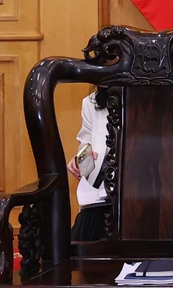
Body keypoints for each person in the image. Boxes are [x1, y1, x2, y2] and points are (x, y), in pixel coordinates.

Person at [66, 90, 111, 241]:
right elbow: (86, 144)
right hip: (99, 195)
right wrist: (80, 160)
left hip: (139, 193)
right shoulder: (91, 102)